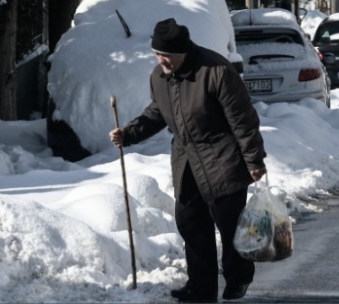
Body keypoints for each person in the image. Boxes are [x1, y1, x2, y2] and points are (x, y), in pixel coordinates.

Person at [110, 18, 267, 304]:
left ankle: (238, 275)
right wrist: (129, 133)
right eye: (157, 54)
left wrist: (254, 159)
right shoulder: (159, 77)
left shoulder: (216, 70)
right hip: (186, 161)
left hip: (224, 157)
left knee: (230, 226)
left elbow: (242, 119)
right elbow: (157, 112)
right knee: (190, 223)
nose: (161, 61)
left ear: (183, 52)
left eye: (166, 56)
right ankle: (201, 286)